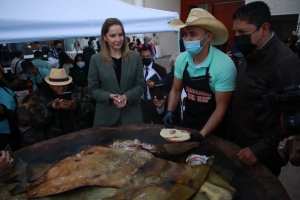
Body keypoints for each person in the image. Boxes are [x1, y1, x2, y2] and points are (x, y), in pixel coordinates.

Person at [231, 1, 300, 176]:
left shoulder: (285, 63)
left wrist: (258, 150)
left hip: (261, 155)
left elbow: (291, 118)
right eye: (235, 32)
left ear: (264, 28)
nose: (238, 37)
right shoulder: (251, 53)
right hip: (241, 144)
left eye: (243, 32)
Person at [163, 8, 236, 141]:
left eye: (193, 34)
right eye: (185, 34)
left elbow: (221, 107)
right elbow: (176, 89)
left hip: (216, 128)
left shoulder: (224, 65)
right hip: (189, 121)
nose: (187, 39)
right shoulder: (181, 60)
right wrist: (169, 111)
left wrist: (202, 134)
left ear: (208, 37)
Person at [88, 18, 145, 127]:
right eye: (113, 36)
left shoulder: (135, 57)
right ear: (105, 37)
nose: (118, 39)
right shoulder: (96, 59)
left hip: (131, 116)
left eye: (120, 35)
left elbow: (140, 85)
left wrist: (126, 97)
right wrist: (109, 96)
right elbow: (93, 89)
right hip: (105, 118)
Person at [29, 68, 95, 140]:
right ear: (50, 85)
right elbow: (34, 123)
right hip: (56, 141)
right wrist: (50, 109)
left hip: (80, 137)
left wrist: (77, 107)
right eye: (57, 85)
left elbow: (92, 111)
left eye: (64, 85)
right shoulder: (43, 97)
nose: (61, 88)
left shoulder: (78, 92)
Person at [0, 73, 29, 151]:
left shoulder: (4, 90)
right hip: (6, 130)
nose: (17, 85)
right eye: (15, 83)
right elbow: (10, 116)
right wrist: (28, 119)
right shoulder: (3, 94)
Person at [139, 46, 167, 124]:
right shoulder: (138, 69)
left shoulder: (160, 69)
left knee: (157, 124)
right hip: (142, 103)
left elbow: (166, 84)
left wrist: (155, 84)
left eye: (148, 56)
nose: (146, 58)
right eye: (143, 56)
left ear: (151, 55)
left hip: (154, 102)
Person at [153, 52, 182, 126]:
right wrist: (160, 107)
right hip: (173, 126)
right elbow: (159, 113)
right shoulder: (162, 83)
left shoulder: (193, 82)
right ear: (171, 65)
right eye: (175, 66)